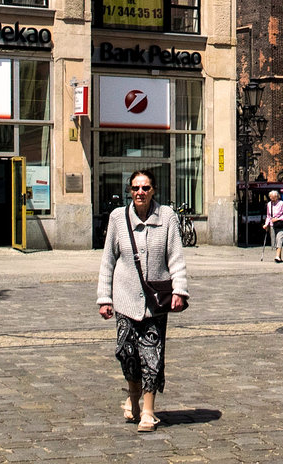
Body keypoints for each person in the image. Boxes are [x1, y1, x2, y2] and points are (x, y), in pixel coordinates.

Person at [97, 170, 188, 433]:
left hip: (155, 302)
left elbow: (176, 258)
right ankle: (132, 396)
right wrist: (105, 298)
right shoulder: (118, 218)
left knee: (152, 355)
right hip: (125, 299)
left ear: (153, 190)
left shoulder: (167, 217)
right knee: (128, 355)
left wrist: (179, 291)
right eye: (135, 187)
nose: (140, 192)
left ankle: (148, 411)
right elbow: (108, 261)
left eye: (145, 188)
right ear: (130, 190)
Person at [265, 189, 283, 261]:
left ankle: (277, 256)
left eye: (274, 198)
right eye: (271, 198)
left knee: (279, 239)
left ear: (277, 197)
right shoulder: (269, 204)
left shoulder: (282, 203)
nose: (272, 200)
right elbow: (268, 216)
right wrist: (266, 224)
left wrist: (278, 219)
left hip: (281, 224)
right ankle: (279, 257)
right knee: (274, 242)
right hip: (272, 225)